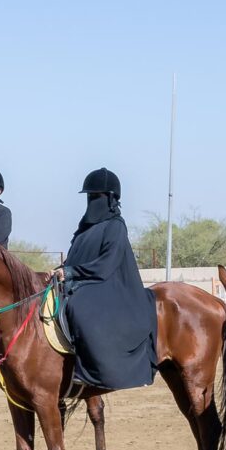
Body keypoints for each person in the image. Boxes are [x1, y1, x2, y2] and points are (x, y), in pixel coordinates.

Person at [58, 168, 157, 392]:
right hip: (85, 280)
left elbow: (106, 264)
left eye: (98, 196)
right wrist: (63, 270)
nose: (93, 200)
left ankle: (91, 369)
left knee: (79, 307)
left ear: (111, 198)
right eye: (90, 196)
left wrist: (72, 273)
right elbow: (74, 257)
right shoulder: (84, 228)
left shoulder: (116, 226)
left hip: (110, 283)